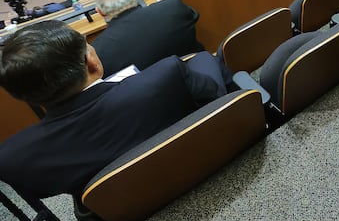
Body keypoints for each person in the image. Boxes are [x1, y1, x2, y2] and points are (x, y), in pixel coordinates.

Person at [0, 19, 228, 198]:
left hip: (129, 210)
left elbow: (44, 190)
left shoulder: (13, 158)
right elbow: (216, 96)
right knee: (203, 58)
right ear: (91, 62)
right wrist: (201, 58)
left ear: (21, 95)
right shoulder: (166, 75)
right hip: (211, 164)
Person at [91, 0, 206, 76]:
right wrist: (163, 5)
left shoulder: (98, 50)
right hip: (204, 74)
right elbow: (194, 15)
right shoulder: (171, 6)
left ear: (100, 12)